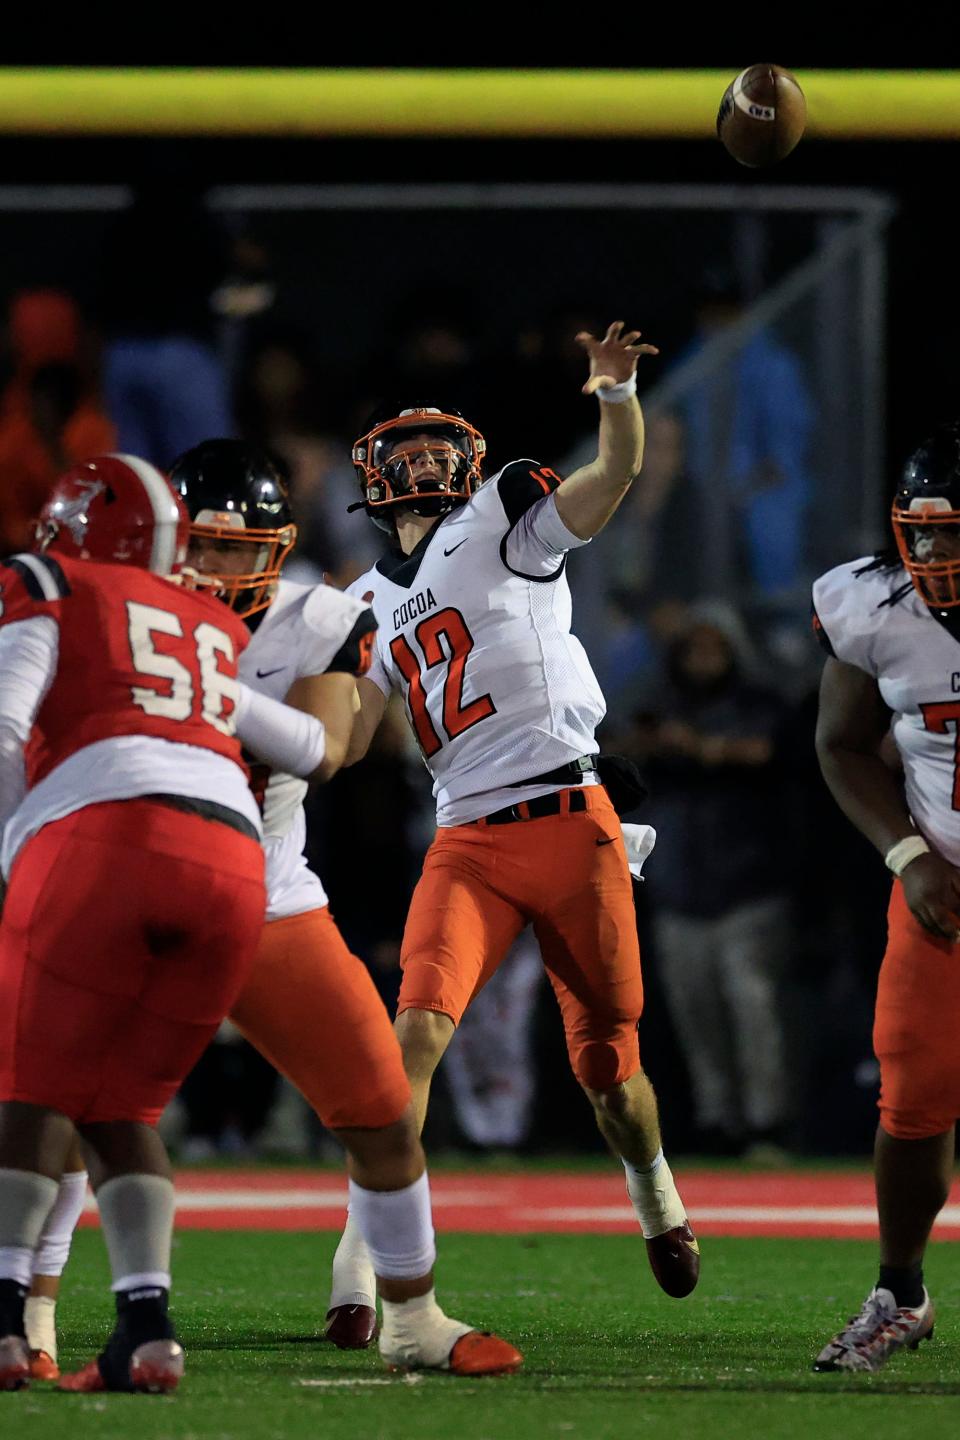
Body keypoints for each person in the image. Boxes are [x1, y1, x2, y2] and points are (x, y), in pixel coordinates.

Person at [29, 440, 522, 1381]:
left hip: (264, 892)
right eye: (204, 548)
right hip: (123, 889)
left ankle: (414, 1313)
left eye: (240, 549)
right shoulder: (108, 603)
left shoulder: (316, 615)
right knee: (68, 1108)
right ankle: (37, 1320)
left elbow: (330, 747)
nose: (220, 570)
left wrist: (191, 687)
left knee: (379, 1101)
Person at [336, 321, 700, 1316]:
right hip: (467, 841)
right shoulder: (362, 599)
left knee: (610, 1073)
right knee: (411, 1038)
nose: (419, 459)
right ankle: (367, 1254)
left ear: (466, 461)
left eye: (432, 445)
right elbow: (351, 735)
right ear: (372, 479)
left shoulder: (503, 511)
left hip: (568, 816)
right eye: (398, 448)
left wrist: (615, 398)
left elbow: (613, 477)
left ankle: (654, 1190)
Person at [0, 454, 331, 1394]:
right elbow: (307, 746)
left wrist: (16, 853)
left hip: (102, 837)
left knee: (30, 1092)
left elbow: (0, 726)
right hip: (232, 865)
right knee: (123, 1108)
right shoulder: (209, 620)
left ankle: (3, 1321)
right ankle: (147, 1327)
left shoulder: (47, 583)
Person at [809, 423, 960, 1373]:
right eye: (923, 533)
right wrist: (907, 853)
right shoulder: (873, 606)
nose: (935, 555)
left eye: (954, 534)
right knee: (911, 1102)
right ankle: (900, 1292)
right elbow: (841, 744)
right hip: (945, 890)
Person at [636, 610, 792, 1157]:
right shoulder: (658, 705)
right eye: (693, 649)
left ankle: (766, 1123)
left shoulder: (759, 704)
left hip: (748, 885)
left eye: (714, 649)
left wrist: (702, 748)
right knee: (695, 1011)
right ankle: (717, 1120)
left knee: (752, 1006)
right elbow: (621, 750)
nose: (703, 661)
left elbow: (769, 752)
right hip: (679, 887)